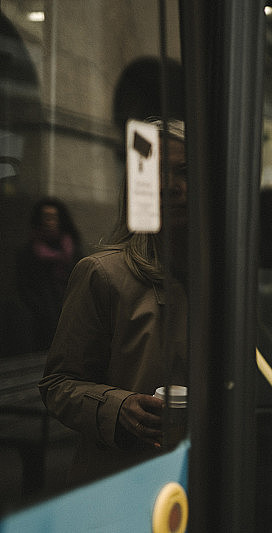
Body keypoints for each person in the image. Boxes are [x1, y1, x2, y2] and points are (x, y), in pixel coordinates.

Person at [38, 118, 188, 485]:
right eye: (155, 172)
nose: (170, 185)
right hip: (125, 480)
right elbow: (58, 384)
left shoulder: (225, 279)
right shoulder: (104, 273)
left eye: (184, 171)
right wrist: (119, 409)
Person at [17, 197, 83, 351]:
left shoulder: (73, 250)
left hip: (72, 318)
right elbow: (25, 288)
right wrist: (40, 312)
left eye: (53, 217)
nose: (49, 221)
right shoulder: (28, 253)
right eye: (46, 217)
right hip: (42, 323)